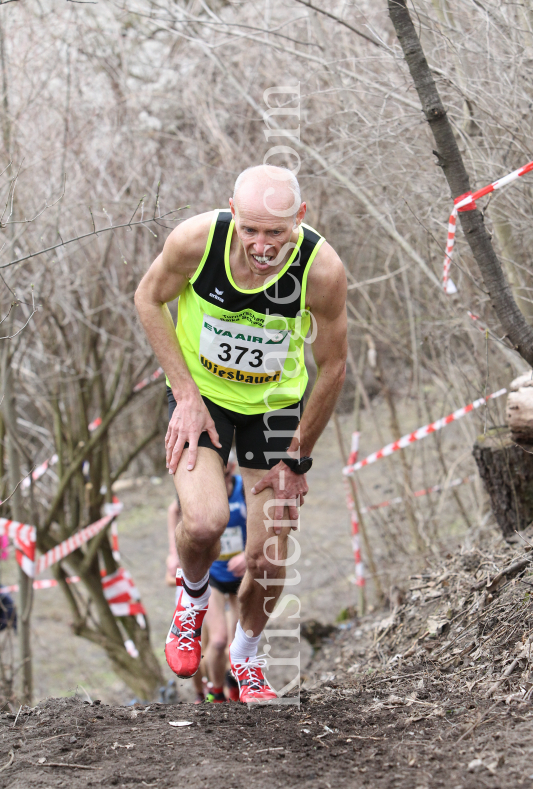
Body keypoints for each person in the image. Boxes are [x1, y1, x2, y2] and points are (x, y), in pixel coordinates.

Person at [135, 164, 348, 703]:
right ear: (231, 210)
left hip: (274, 412)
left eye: (275, 232)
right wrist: (183, 392)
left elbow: (334, 366)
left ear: (299, 219)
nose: (260, 245)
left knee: (268, 559)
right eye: (249, 229)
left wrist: (298, 456)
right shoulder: (195, 242)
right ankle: (192, 602)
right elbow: (147, 298)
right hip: (201, 398)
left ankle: (247, 660)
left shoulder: (320, 271)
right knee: (204, 522)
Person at [166, 455, 247, 703]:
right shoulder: (203, 488)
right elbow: (175, 510)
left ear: (230, 469)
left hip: (241, 574)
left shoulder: (244, 489)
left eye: (221, 474)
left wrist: (247, 553)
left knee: (238, 642)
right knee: (219, 640)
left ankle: (234, 685)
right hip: (212, 575)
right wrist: (173, 553)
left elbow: (263, 522)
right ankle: (211, 693)